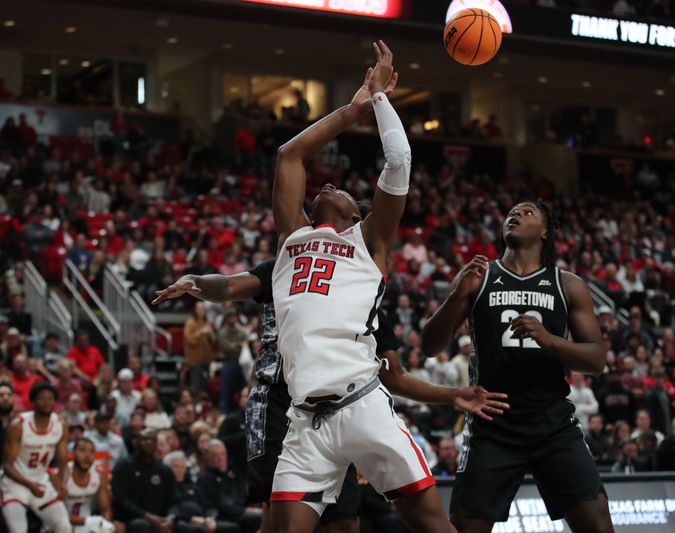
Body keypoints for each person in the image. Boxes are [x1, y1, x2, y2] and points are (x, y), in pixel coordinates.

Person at [154, 41, 505, 533]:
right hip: (303, 421)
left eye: (339, 188)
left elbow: (399, 160)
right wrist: (353, 107)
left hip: (360, 403)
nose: (328, 184)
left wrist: (380, 99)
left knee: (428, 521)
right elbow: (289, 154)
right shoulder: (291, 238)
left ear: (355, 214)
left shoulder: (369, 241)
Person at [422, 199, 614, 532]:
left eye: (527, 213)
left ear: (545, 231)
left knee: (597, 525)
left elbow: (596, 360)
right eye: (512, 212)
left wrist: (550, 339)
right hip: (492, 422)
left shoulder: (567, 283)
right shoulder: (478, 277)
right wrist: (456, 296)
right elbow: (429, 346)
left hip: (552, 421)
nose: (515, 215)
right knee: (467, 528)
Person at [1, 381, 71, 533]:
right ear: (33, 401)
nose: (47, 402)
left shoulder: (60, 424)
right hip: (15, 484)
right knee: (18, 530)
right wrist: (30, 485)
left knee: (64, 527)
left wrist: (62, 484)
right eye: (42, 398)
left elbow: (63, 462)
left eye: (50, 398)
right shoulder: (18, 425)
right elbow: (7, 466)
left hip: (41, 481)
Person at [111, 428, 176, 533]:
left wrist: (170, 518)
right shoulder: (124, 466)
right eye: (145, 439)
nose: (149, 442)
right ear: (136, 443)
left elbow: (173, 500)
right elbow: (120, 500)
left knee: (187, 528)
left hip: (161, 519)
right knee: (141, 526)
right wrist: (147, 516)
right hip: (132, 518)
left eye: (152, 440)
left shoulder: (165, 470)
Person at [197, 439, 261, 533]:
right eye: (215, 455)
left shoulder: (233, 472)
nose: (220, 458)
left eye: (222, 454)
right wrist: (248, 510)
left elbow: (245, 494)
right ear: (207, 459)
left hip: (242, 510)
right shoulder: (205, 479)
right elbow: (223, 505)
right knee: (254, 519)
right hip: (224, 516)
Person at [65, 437, 117, 533]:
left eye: (92, 452)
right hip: (61, 523)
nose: (87, 455)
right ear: (72, 454)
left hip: (86, 524)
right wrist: (89, 521)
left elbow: (105, 509)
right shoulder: (62, 475)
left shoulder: (100, 475)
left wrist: (105, 524)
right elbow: (57, 514)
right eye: (82, 450)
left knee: (115, 528)